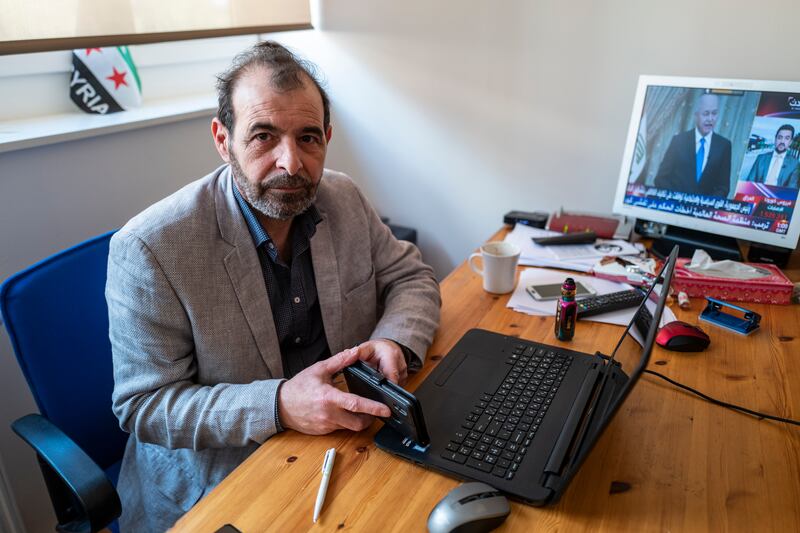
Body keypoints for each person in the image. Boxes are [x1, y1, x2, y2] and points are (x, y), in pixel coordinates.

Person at [106, 41, 441, 532]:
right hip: (222, 481)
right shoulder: (151, 248)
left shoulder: (343, 197)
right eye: (263, 136)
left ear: (327, 137)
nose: (291, 163)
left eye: (308, 138)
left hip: (345, 446)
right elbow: (144, 405)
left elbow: (410, 275)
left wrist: (393, 339)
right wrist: (279, 404)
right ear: (223, 140)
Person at [653, 93, 733, 198]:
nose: (710, 119)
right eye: (706, 113)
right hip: (672, 206)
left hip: (703, 211)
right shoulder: (679, 141)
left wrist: (706, 205)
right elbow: (661, 178)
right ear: (696, 115)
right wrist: (676, 199)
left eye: (714, 113)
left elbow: (723, 187)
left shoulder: (724, 146)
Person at [744, 124, 799, 188]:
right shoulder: (761, 158)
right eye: (779, 137)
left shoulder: (794, 164)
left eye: (787, 138)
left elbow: (791, 189)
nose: (782, 141)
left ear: (790, 142)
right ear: (775, 139)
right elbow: (749, 182)